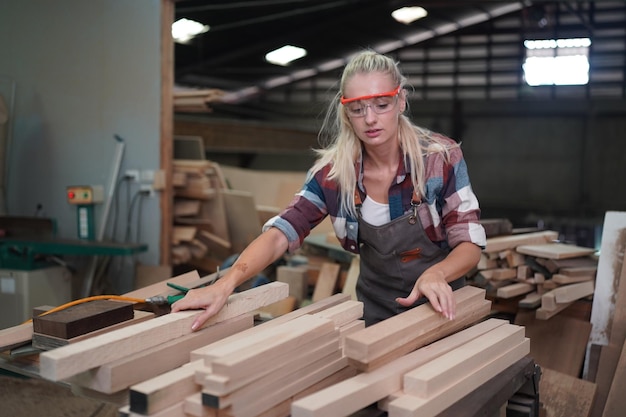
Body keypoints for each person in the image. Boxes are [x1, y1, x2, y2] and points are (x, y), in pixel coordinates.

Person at [171, 50, 487, 329]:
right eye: (358, 109)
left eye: (382, 104)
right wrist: (226, 285)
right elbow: (282, 232)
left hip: (441, 308)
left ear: (401, 99)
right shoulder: (333, 175)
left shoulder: (440, 159)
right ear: (344, 109)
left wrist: (437, 273)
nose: (371, 119)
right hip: (377, 312)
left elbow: (469, 242)